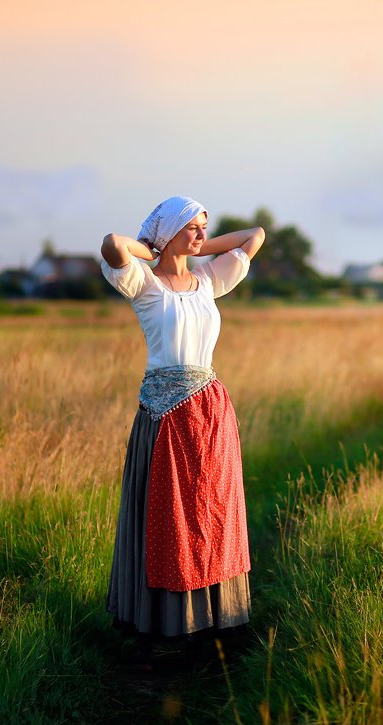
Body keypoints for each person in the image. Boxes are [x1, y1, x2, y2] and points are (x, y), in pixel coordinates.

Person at [99, 195, 265, 668]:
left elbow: (255, 237)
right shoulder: (145, 284)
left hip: (210, 412)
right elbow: (113, 245)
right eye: (191, 226)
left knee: (212, 515)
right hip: (163, 414)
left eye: (204, 227)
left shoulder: (208, 280)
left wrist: (201, 241)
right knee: (168, 518)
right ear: (169, 230)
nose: (200, 235)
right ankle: (159, 625)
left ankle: (215, 621)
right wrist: (150, 249)